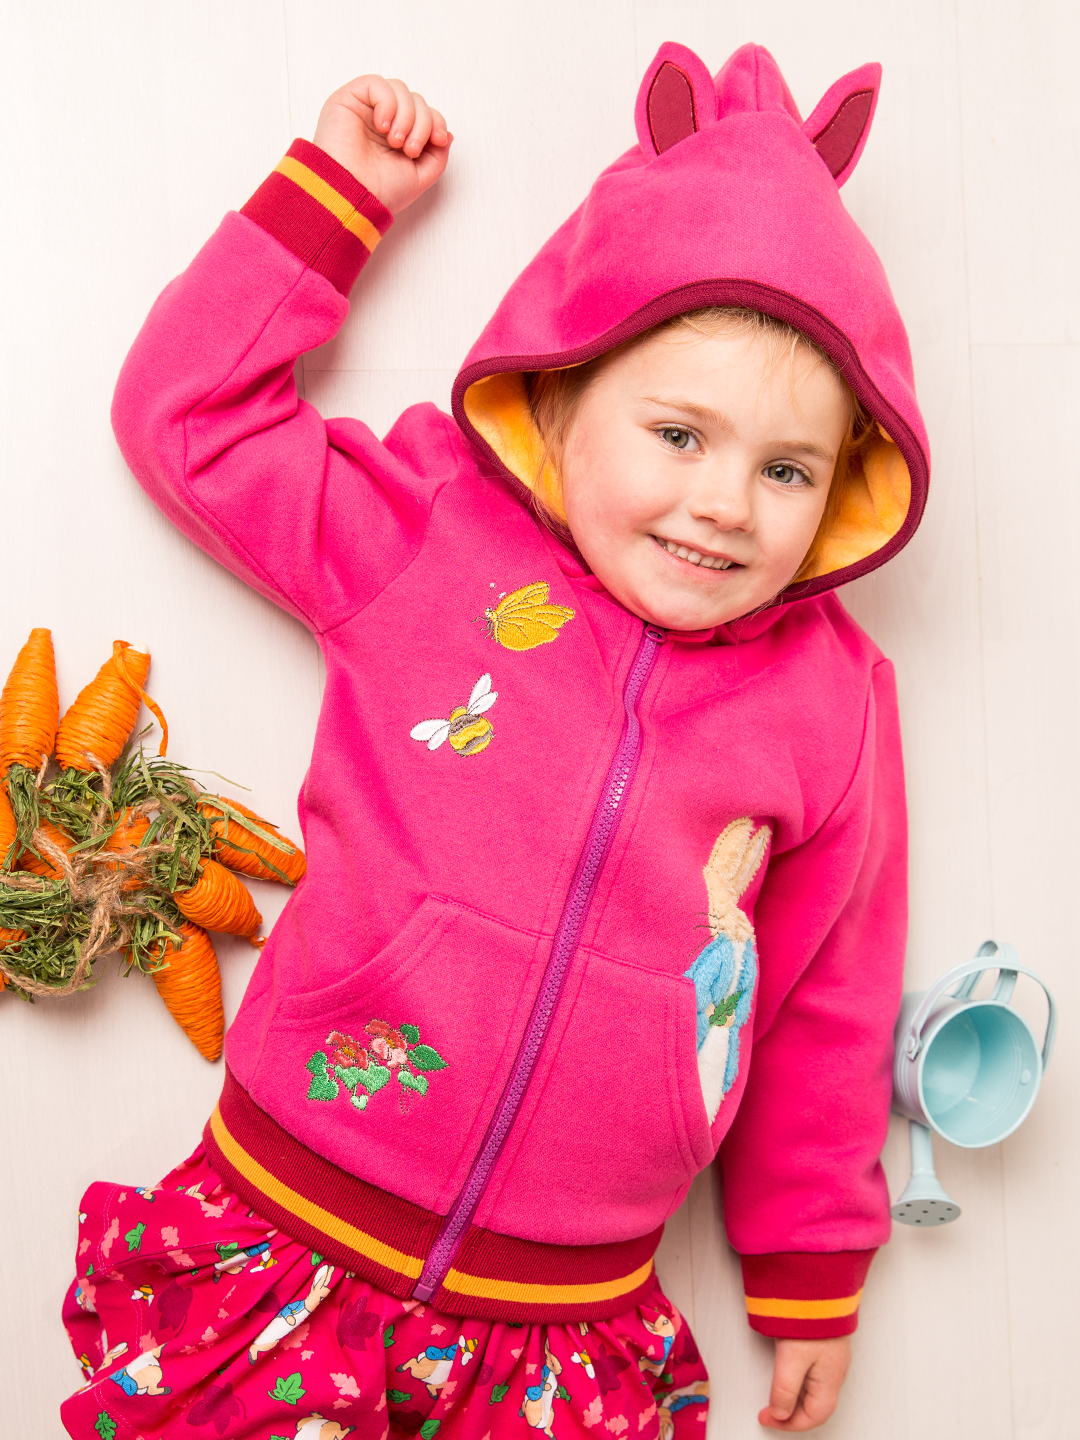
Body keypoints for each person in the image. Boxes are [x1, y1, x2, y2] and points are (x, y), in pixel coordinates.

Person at [61, 40, 928, 1439]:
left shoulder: (834, 699)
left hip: (569, 1314)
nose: (727, 504)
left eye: (786, 469)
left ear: (845, 490)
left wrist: (812, 1266)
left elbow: (827, 993)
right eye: (679, 435)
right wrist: (334, 198)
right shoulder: (431, 540)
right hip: (296, 1214)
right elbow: (190, 421)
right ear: (563, 399)